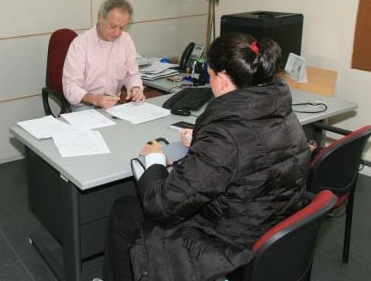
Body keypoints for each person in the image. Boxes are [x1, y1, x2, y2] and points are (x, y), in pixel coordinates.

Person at [102, 33, 311, 281]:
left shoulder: (225, 136)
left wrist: (155, 161)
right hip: (275, 228)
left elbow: (161, 206)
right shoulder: (282, 111)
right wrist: (204, 142)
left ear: (221, 80)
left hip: (232, 243)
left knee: (125, 210)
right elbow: (251, 154)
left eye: (210, 76)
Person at [62, 0, 144, 109]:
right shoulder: (80, 44)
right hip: (85, 107)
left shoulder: (126, 40)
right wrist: (95, 99)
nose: (117, 33)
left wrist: (136, 88)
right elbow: (70, 87)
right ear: (101, 17)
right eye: (113, 26)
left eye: (122, 28)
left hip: (113, 106)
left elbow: (131, 74)